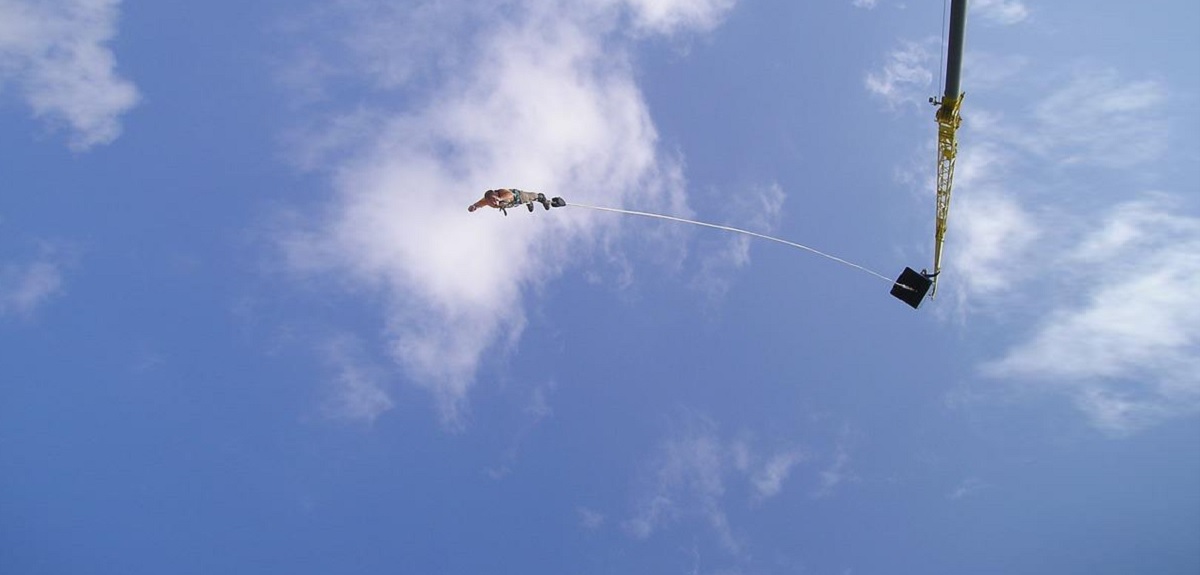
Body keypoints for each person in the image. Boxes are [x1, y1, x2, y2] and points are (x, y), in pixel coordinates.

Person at [468, 188, 551, 214]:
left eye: (493, 199)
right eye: (490, 201)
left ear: (495, 194)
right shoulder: (486, 201)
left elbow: (510, 195)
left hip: (518, 196)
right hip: (512, 203)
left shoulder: (502, 192)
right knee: (524, 202)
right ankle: (529, 203)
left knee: (530, 197)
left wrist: (500, 199)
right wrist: (474, 207)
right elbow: (478, 204)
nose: (493, 202)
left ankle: (541, 197)